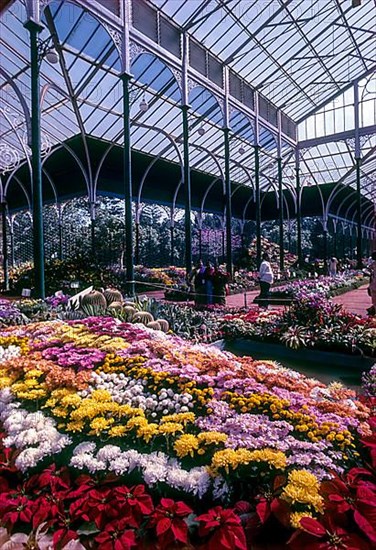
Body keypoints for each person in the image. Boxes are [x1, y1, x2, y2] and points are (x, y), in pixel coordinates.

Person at [367, 251, 376, 316]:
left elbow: (368, 269)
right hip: (373, 284)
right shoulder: (373, 264)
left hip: (374, 284)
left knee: (374, 299)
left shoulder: (373, 264)